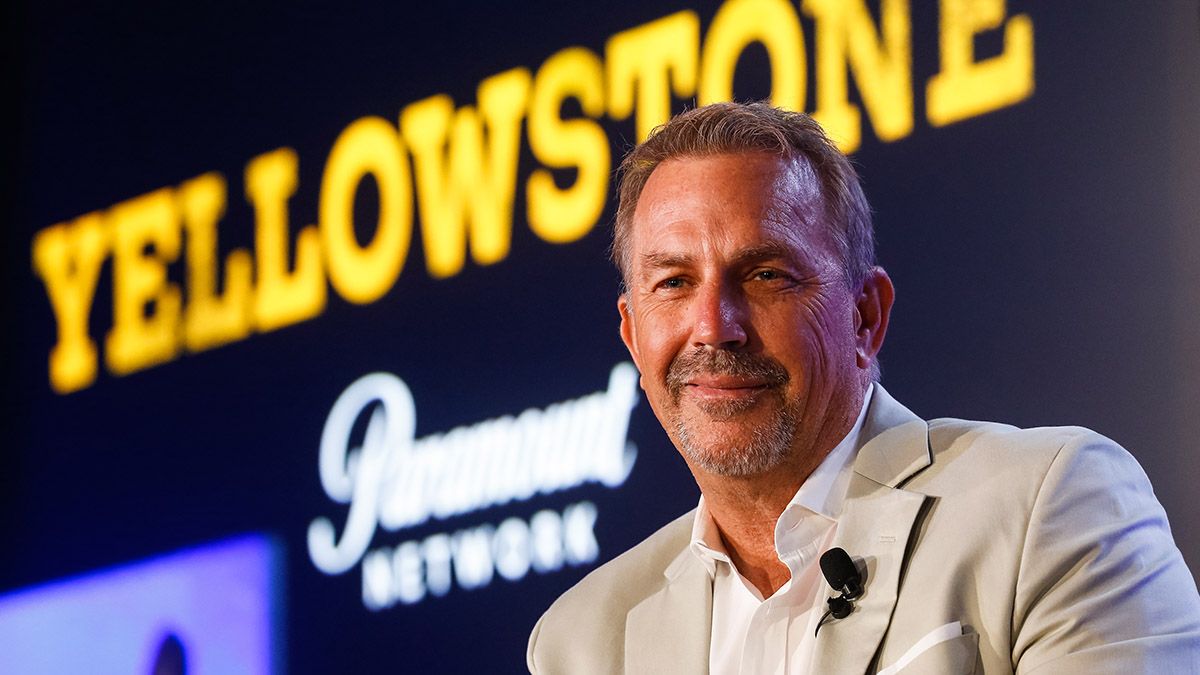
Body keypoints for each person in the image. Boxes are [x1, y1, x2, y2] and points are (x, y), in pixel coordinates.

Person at [526, 102, 1200, 674]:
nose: (714, 327)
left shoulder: (1052, 509)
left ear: (865, 316)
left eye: (767, 275)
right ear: (632, 336)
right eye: (673, 282)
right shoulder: (582, 643)